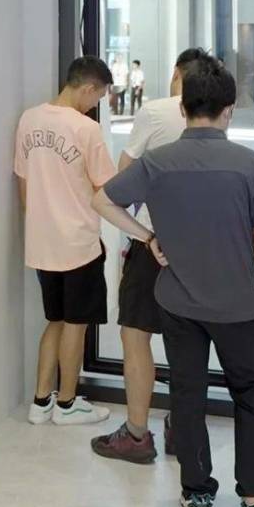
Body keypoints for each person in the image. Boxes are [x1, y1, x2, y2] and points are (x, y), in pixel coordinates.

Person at [93, 55, 254, 507]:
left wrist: (146, 236)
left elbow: (102, 198)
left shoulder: (158, 162)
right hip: (237, 305)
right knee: (250, 394)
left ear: (183, 109)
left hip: (178, 303)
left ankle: (198, 496)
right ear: (229, 110)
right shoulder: (249, 165)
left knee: (187, 393)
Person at [91, 48, 206, 465]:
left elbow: (123, 180)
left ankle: (137, 434)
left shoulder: (155, 112)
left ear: (177, 74)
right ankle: (182, 428)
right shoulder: (215, 118)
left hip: (153, 242)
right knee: (187, 339)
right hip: (200, 246)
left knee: (136, 334)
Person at [15, 55, 117, 427]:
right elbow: (106, 187)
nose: (95, 105)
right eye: (98, 97)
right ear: (88, 88)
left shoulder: (29, 119)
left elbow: (23, 185)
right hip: (78, 244)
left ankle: (41, 402)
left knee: (55, 321)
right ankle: (68, 403)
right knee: (76, 324)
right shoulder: (86, 129)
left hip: (42, 243)